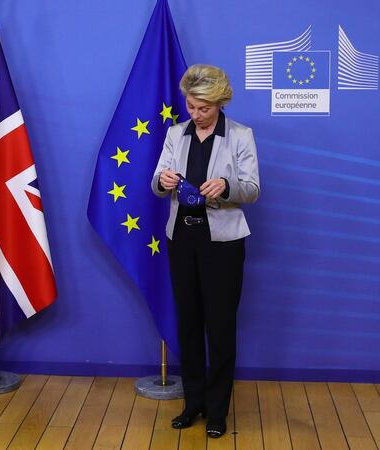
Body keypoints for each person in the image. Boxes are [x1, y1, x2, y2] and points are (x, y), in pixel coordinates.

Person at [151, 64, 259, 438]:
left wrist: (226, 186)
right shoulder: (175, 134)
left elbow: (252, 189)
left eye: (203, 108)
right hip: (181, 239)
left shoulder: (241, 135)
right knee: (189, 324)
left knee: (220, 327)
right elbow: (157, 180)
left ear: (220, 102)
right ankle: (192, 403)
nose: (195, 115)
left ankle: (217, 410)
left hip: (223, 245)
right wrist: (161, 181)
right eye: (191, 107)